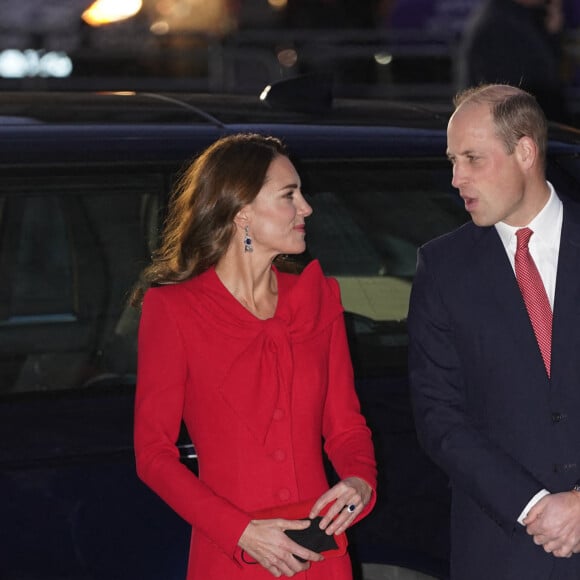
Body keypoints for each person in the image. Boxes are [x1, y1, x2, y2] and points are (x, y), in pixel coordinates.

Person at [132, 133, 377, 579]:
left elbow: (345, 427)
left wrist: (360, 481)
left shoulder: (317, 298)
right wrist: (240, 530)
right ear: (241, 211)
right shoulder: (174, 310)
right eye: (289, 195)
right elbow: (153, 455)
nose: (306, 208)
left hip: (322, 554)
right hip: (234, 555)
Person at [407, 84, 580, 579]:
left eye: (472, 158)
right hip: (503, 548)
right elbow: (439, 415)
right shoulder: (443, 267)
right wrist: (532, 507)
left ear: (524, 150)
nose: (457, 178)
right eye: (452, 160)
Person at [456, 0, 571, 123]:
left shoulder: (522, 18)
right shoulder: (500, 25)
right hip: (512, 131)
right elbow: (513, 97)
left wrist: (552, 34)